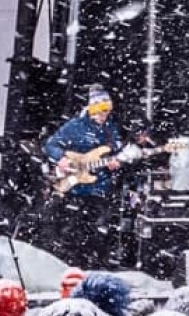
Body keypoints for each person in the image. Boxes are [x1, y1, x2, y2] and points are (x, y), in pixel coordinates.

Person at [41, 88, 125, 268]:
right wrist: (61, 159)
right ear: (93, 108)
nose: (105, 115)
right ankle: (74, 266)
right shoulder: (75, 126)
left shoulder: (111, 128)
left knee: (100, 230)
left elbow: (116, 152)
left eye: (108, 111)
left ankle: (97, 266)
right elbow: (50, 145)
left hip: (100, 187)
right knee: (73, 229)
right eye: (102, 110)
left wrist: (116, 162)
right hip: (75, 188)